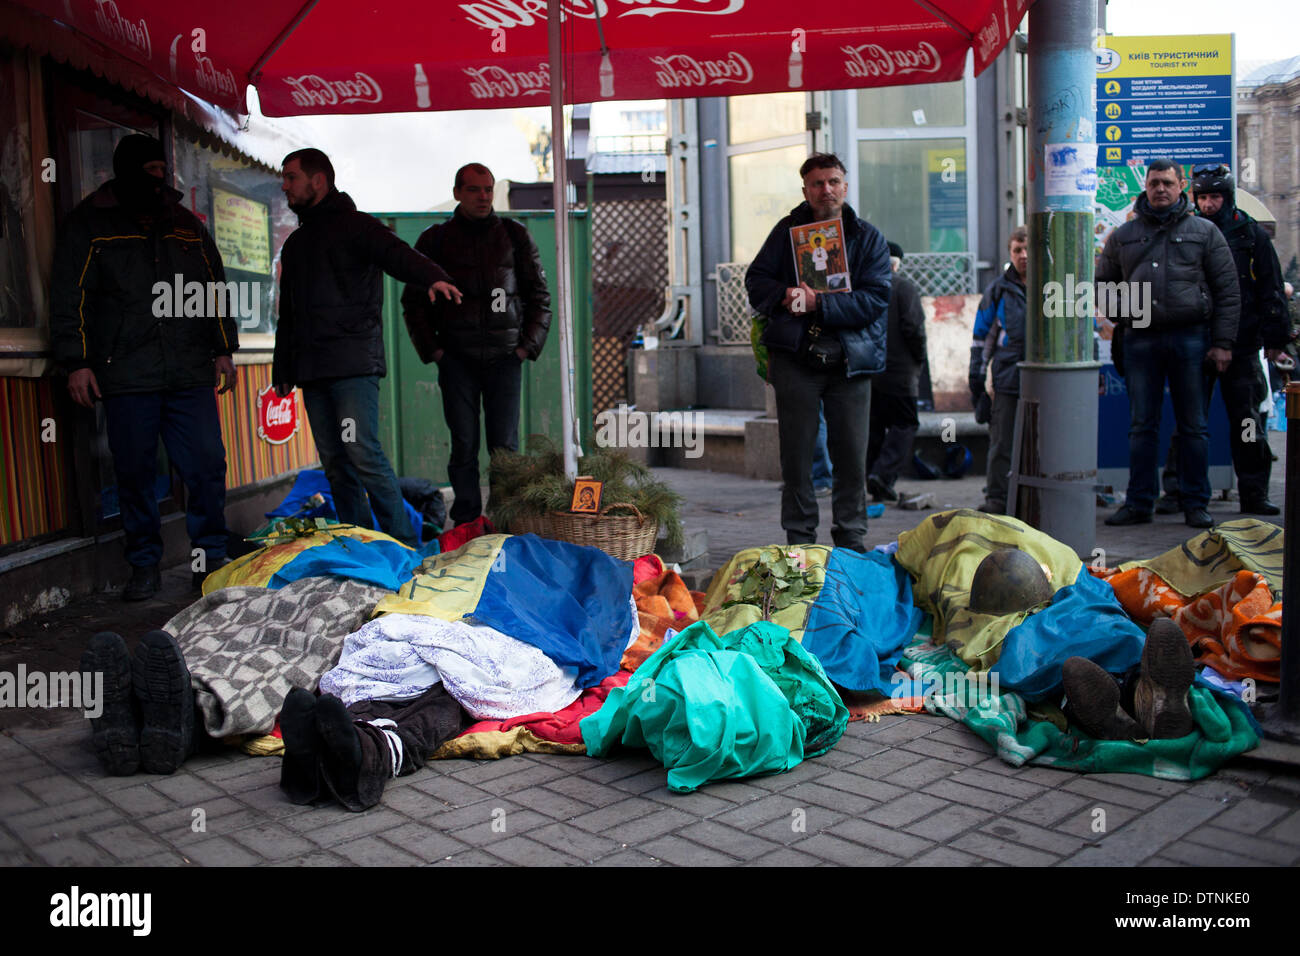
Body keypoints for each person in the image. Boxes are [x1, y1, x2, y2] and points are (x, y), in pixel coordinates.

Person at [51, 134, 239, 600]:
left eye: (162, 169)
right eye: (149, 170)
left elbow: (213, 287)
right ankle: (144, 567)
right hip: (125, 372)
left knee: (206, 465)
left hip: (189, 370)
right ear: (127, 172)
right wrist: (76, 362)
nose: (159, 178)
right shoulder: (89, 225)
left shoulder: (186, 225)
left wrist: (223, 347)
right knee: (134, 473)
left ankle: (208, 559)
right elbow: (67, 297)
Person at [272, 148, 461, 547]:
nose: (285, 185)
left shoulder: (358, 227)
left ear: (318, 180)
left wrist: (433, 277)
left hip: (353, 365)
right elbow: (287, 314)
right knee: (336, 464)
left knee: (361, 452)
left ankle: (406, 548)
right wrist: (282, 369)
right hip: (312, 369)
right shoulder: (296, 244)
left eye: (291, 177)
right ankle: (361, 546)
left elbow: (398, 255)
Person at [745, 153, 891, 551]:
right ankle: (799, 539)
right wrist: (787, 295)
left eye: (833, 181)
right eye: (817, 183)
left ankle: (851, 539)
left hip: (851, 360)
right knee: (797, 458)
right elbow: (755, 281)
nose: (826, 189)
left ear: (845, 185)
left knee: (851, 457)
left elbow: (876, 299)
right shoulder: (785, 232)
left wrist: (821, 304)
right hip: (796, 358)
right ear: (805, 190)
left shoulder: (868, 237)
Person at [400, 163, 551, 527]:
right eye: (474, 190)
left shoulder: (515, 236)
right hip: (457, 360)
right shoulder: (434, 240)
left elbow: (539, 298)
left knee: (505, 449)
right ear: (457, 193)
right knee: (463, 445)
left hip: (505, 359)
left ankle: (505, 521)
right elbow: (413, 303)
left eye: (488, 189)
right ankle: (467, 522)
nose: (483, 197)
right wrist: (435, 352)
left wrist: (524, 348)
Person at [1099, 159, 1240, 529]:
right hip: (1141, 339)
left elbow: (1228, 291)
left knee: (1194, 426)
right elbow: (1102, 284)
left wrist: (1223, 343)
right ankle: (1139, 503)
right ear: (1145, 187)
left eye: (1167, 183)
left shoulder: (1205, 232)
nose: (1160, 189)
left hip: (1191, 338)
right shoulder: (1124, 235)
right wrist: (1129, 315)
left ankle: (1196, 503)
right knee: (1141, 426)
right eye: (1154, 183)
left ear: (1182, 187)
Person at [1153, 164, 1288, 516]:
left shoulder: (1251, 234)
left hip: (1242, 346)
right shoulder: (1185, 231)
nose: (1209, 204)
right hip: (1196, 342)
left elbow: (1270, 288)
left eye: (1215, 197)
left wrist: (1276, 337)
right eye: (1203, 197)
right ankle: (1178, 490)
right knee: (1189, 422)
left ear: (1227, 197)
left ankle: (1254, 491)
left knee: (1246, 423)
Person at [969, 226, 1028, 514]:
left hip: (1048, 381)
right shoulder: (998, 290)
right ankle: (997, 499)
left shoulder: (1055, 285)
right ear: (1010, 253)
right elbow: (981, 337)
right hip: (1008, 376)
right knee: (1002, 441)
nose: (1024, 255)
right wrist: (976, 379)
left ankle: (1034, 498)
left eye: (1028, 248)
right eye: (1017, 250)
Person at [867, 242, 927, 503]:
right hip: (901, 372)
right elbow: (914, 328)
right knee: (905, 424)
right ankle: (882, 475)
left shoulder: (866, 288)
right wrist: (920, 358)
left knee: (875, 427)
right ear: (896, 264)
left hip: (870, 371)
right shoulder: (904, 288)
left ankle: (872, 477)